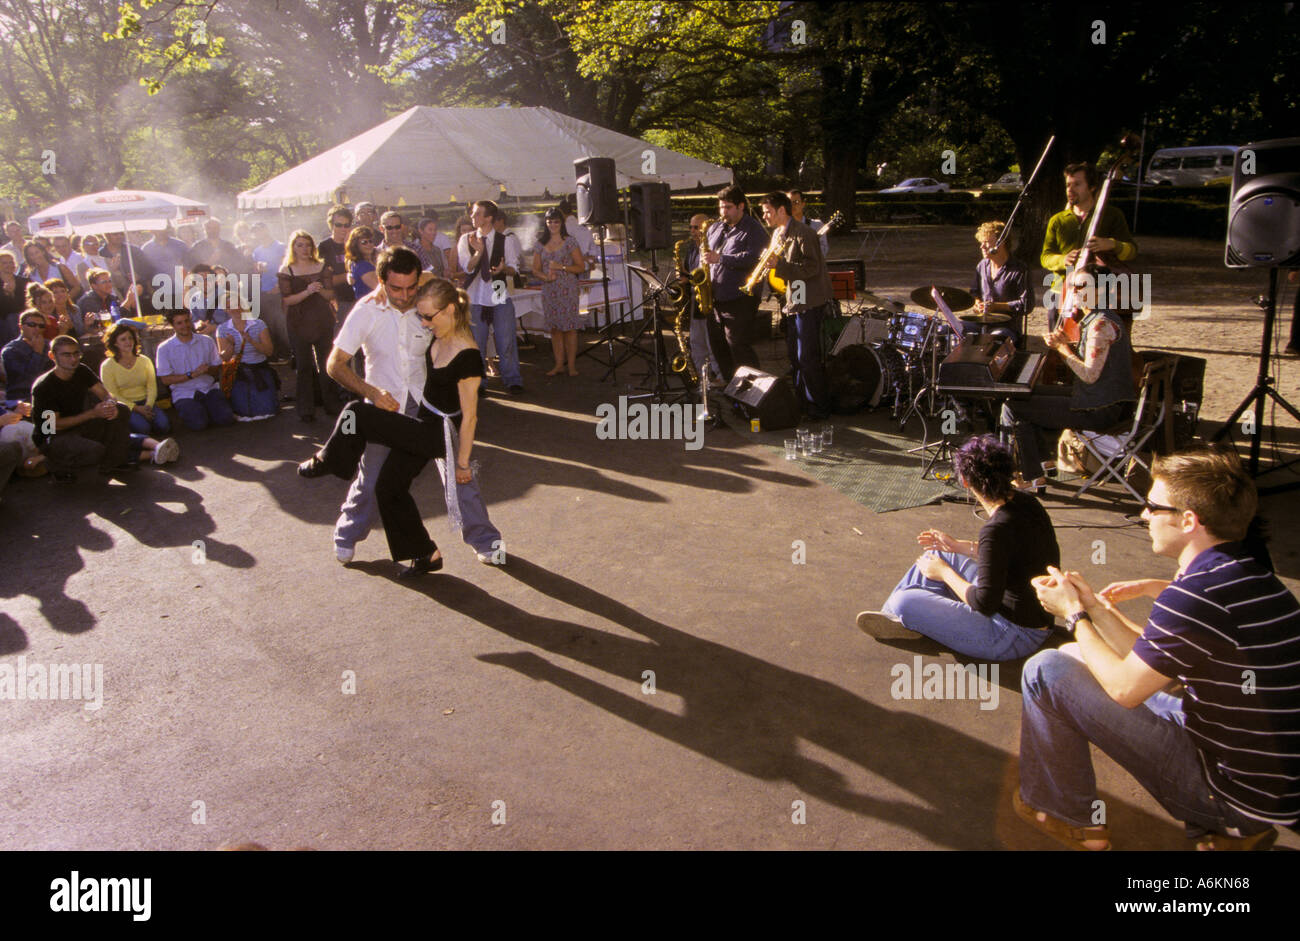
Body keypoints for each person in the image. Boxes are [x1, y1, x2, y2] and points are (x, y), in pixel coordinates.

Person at [1018, 447, 1300, 851]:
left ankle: (1070, 818)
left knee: (1045, 670)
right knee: (1074, 657)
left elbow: (1124, 690)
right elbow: (1148, 664)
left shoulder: (1194, 595)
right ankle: (1222, 834)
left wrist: (1072, 614)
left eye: (1153, 505)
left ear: (1188, 520)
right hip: (1272, 785)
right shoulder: (1247, 574)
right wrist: (1095, 608)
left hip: (1236, 798)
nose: (1145, 515)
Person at [300, 277, 504, 577]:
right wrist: (380, 290)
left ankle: (330, 460)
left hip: (441, 435)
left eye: (428, 317)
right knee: (387, 487)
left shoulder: (469, 355)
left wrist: (462, 464)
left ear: (449, 310)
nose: (423, 322)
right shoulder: (438, 332)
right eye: (421, 316)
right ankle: (423, 552)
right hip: (421, 422)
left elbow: (470, 418)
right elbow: (414, 276)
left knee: (358, 412)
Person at [856, 435, 1061, 660]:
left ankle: (907, 614)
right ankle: (903, 618)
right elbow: (1009, 554)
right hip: (1034, 616)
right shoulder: (1027, 502)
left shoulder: (995, 530)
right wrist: (957, 546)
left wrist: (944, 573)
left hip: (1011, 635)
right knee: (938, 553)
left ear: (964, 481)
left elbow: (984, 602)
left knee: (904, 600)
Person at [1001, 301, 1136, 491]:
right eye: (1074, 286)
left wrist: (1062, 348)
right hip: (1102, 401)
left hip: (1100, 410)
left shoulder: (1100, 325)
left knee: (1012, 408)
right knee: (1023, 396)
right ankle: (1042, 463)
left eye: (1083, 286)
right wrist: (1065, 345)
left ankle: (1018, 476)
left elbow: (1089, 375)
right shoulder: (1102, 317)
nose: (1075, 292)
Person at [760, 191, 833, 418]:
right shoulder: (777, 234)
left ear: (782, 210)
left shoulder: (804, 233)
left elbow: (812, 269)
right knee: (795, 354)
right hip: (794, 296)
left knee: (806, 355)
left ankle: (817, 406)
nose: (764, 216)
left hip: (808, 297)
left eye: (767, 211)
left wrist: (779, 266)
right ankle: (801, 402)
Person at [1041, 162, 1137, 331]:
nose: (1070, 190)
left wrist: (1113, 244)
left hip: (1099, 293)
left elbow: (1132, 251)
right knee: (1058, 341)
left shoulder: (1112, 215)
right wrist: (1063, 259)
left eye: (1077, 184)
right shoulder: (1058, 220)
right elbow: (1045, 257)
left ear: (1092, 187)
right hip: (1062, 292)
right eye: (1068, 185)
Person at [30, 335, 135, 480]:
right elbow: (52, 426)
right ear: (52, 356)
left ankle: (113, 464)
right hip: (53, 436)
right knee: (95, 450)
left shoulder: (81, 370)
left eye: (76, 353)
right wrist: (93, 414)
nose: (73, 359)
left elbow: (104, 393)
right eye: (66, 355)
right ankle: (55, 465)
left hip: (79, 425)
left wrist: (110, 405)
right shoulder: (44, 387)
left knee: (121, 410)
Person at [458, 200, 524, 395]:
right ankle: (479, 383)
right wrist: (479, 251)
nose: (473, 217)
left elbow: (514, 269)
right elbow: (467, 267)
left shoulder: (506, 240)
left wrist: (504, 269)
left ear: (488, 218)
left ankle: (512, 379)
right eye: (473, 213)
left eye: (477, 214)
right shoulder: (466, 239)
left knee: (506, 340)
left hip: (498, 292)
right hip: (475, 295)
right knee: (476, 343)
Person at [703, 184, 767, 381]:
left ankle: (754, 389)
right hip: (716, 297)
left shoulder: (754, 229)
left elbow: (755, 258)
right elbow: (706, 254)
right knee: (719, 346)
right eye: (721, 207)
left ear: (741, 206)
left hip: (740, 297)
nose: (724, 212)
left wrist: (720, 258)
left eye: (728, 207)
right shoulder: (715, 228)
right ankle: (732, 387)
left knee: (738, 346)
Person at [278, 230, 339, 422]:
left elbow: (331, 295)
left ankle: (332, 403)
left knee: (326, 362)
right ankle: (306, 409)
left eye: (307, 245)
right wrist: (307, 291)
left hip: (322, 321)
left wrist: (319, 290)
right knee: (304, 365)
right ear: (293, 248)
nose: (304, 249)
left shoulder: (322, 267)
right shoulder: (286, 270)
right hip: (298, 322)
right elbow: (287, 300)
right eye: (300, 245)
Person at [155, 308, 235, 431]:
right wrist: (192, 374)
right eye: (179, 323)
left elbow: (216, 369)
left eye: (187, 321)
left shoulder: (206, 341)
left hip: (208, 389)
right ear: (173, 325)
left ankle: (208, 410)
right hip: (184, 393)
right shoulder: (164, 348)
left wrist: (207, 370)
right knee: (199, 424)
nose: (185, 325)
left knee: (226, 419)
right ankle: (198, 412)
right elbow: (166, 380)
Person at [532, 208, 584, 377]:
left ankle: (572, 365)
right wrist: (545, 277)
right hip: (550, 290)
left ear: (561, 223)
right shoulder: (540, 244)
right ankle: (559, 364)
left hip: (568, 289)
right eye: (549, 222)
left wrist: (561, 267)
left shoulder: (570, 242)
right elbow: (535, 269)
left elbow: (580, 267)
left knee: (569, 328)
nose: (552, 225)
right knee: (555, 329)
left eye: (556, 221)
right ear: (545, 223)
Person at [100, 321, 171, 438]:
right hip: (125, 405)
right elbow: (112, 394)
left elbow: (152, 386)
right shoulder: (107, 366)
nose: (128, 342)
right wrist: (136, 409)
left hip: (146, 402)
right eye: (123, 339)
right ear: (115, 343)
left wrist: (148, 406)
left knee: (164, 426)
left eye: (130, 338)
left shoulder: (144, 360)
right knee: (143, 428)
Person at [969, 221, 1034, 342]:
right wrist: (977, 304)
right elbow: (975, 292)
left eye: (987, 243)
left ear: (1001, 243)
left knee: (995, 338)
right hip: (982, 322)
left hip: (1007, 327)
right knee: (956, 329)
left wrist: (996, 306)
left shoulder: (1019, 269)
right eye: (981, 243)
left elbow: (1027, 304)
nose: (982, 247)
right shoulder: (982, 266)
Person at [216, 295, 278, 420]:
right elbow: (225, 358)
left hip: (259, 370)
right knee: (243, 412)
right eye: (228, 306)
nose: (233, 309)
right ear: (225, 310)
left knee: (267, 410)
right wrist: (231, 345)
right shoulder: (222, 329)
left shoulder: (259, 324)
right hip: (239, 373)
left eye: (235, 304)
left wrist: (251, 341)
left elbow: (269, 352)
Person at [2, 309, 49, 408]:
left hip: (46, 396)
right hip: (21, 400)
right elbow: (28, 377)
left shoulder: (48, 346)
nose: (37, 328)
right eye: (32, 324)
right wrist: (37, 353)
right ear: (21, 326)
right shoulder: (11, 350)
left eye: (41, 326)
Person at [0, 250, 31, 346]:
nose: (9, 265)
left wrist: (12, 293)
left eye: (11, 262)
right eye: (4, 263)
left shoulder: (24, 282)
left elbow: (27, 304)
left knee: (13, 318)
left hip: (21, 320)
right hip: (3, 322)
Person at [786, 189, 829, 257]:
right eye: (789, 203)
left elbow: (824, 251)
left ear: (803, 204)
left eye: (796, 202)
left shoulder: (816, 225)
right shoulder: (783, 229)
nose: (792, 206)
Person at [345, 225, 379, 297]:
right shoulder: (362, 265)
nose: (369, 244)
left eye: (370, 241)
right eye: (364, 242)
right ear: (356, 245)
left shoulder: (374, 260)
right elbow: (379, 288)